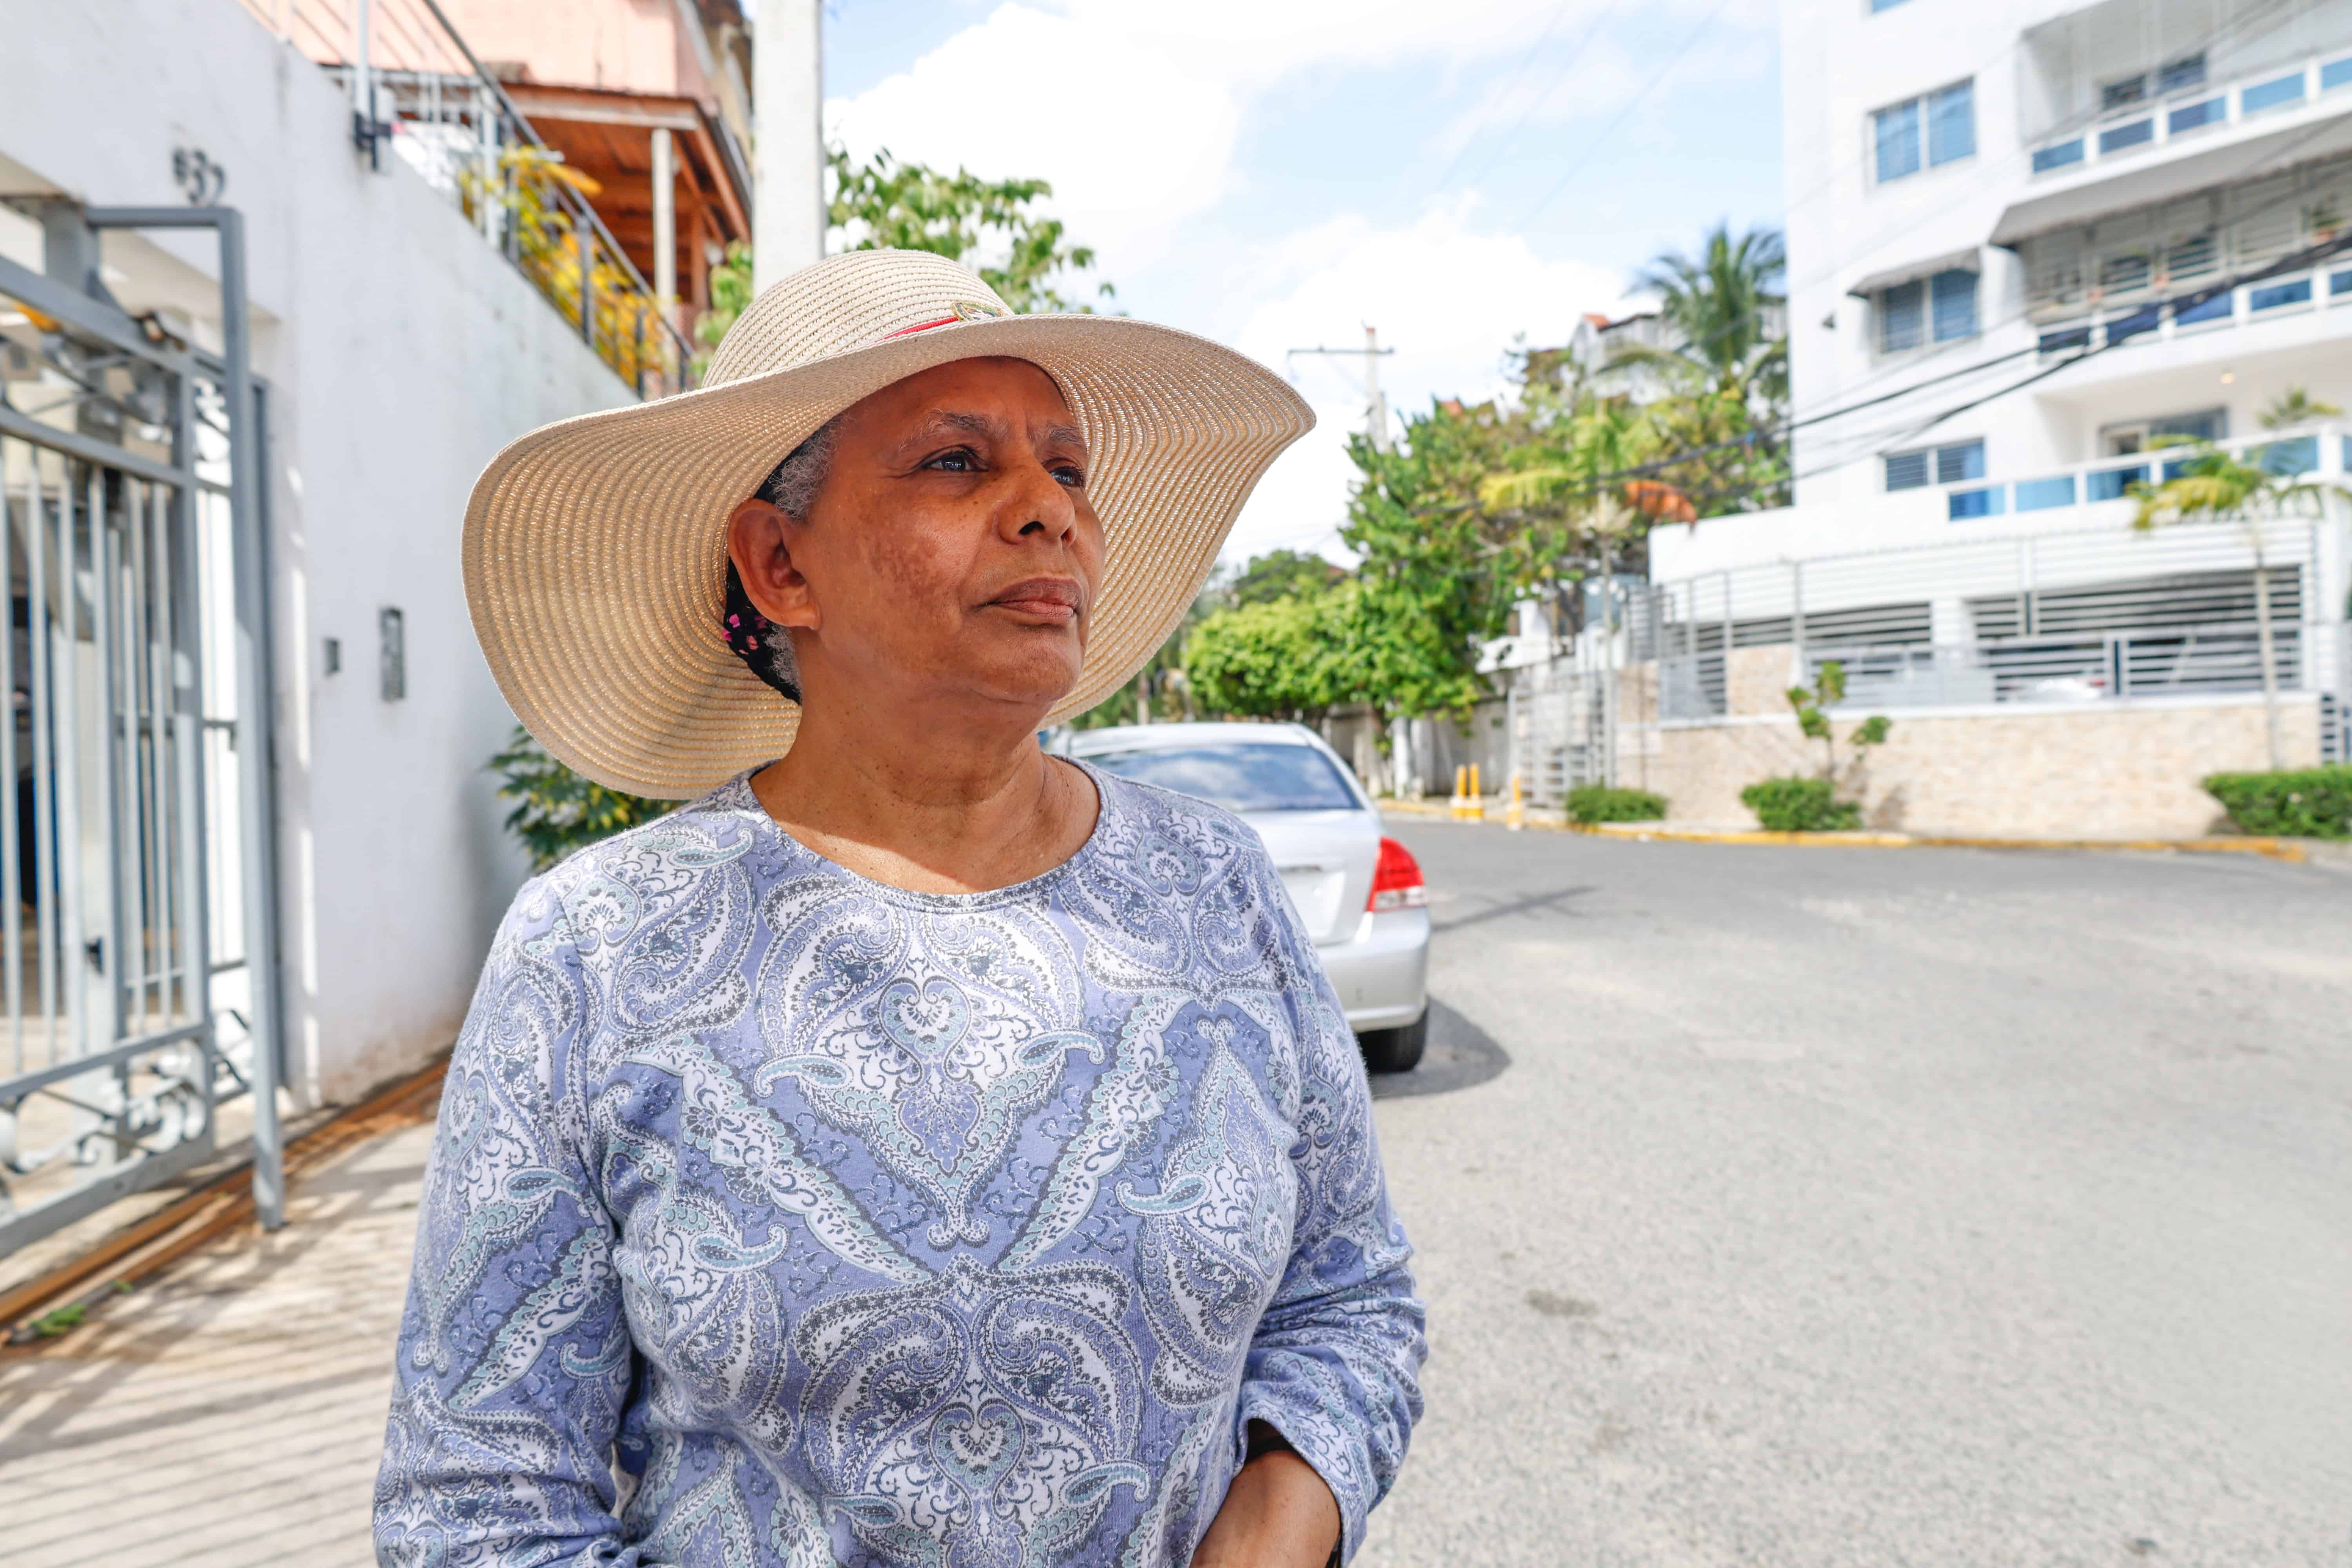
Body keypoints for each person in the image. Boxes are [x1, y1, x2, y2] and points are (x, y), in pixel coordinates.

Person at [374, 249, 1424, 1568]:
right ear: (779, 563)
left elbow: (1350, 1303)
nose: (1051, 512)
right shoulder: (601, 948)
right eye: (956, 463)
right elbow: (477, 1505)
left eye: (1070, 469)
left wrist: (1263, 1540)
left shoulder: (1214, 887)